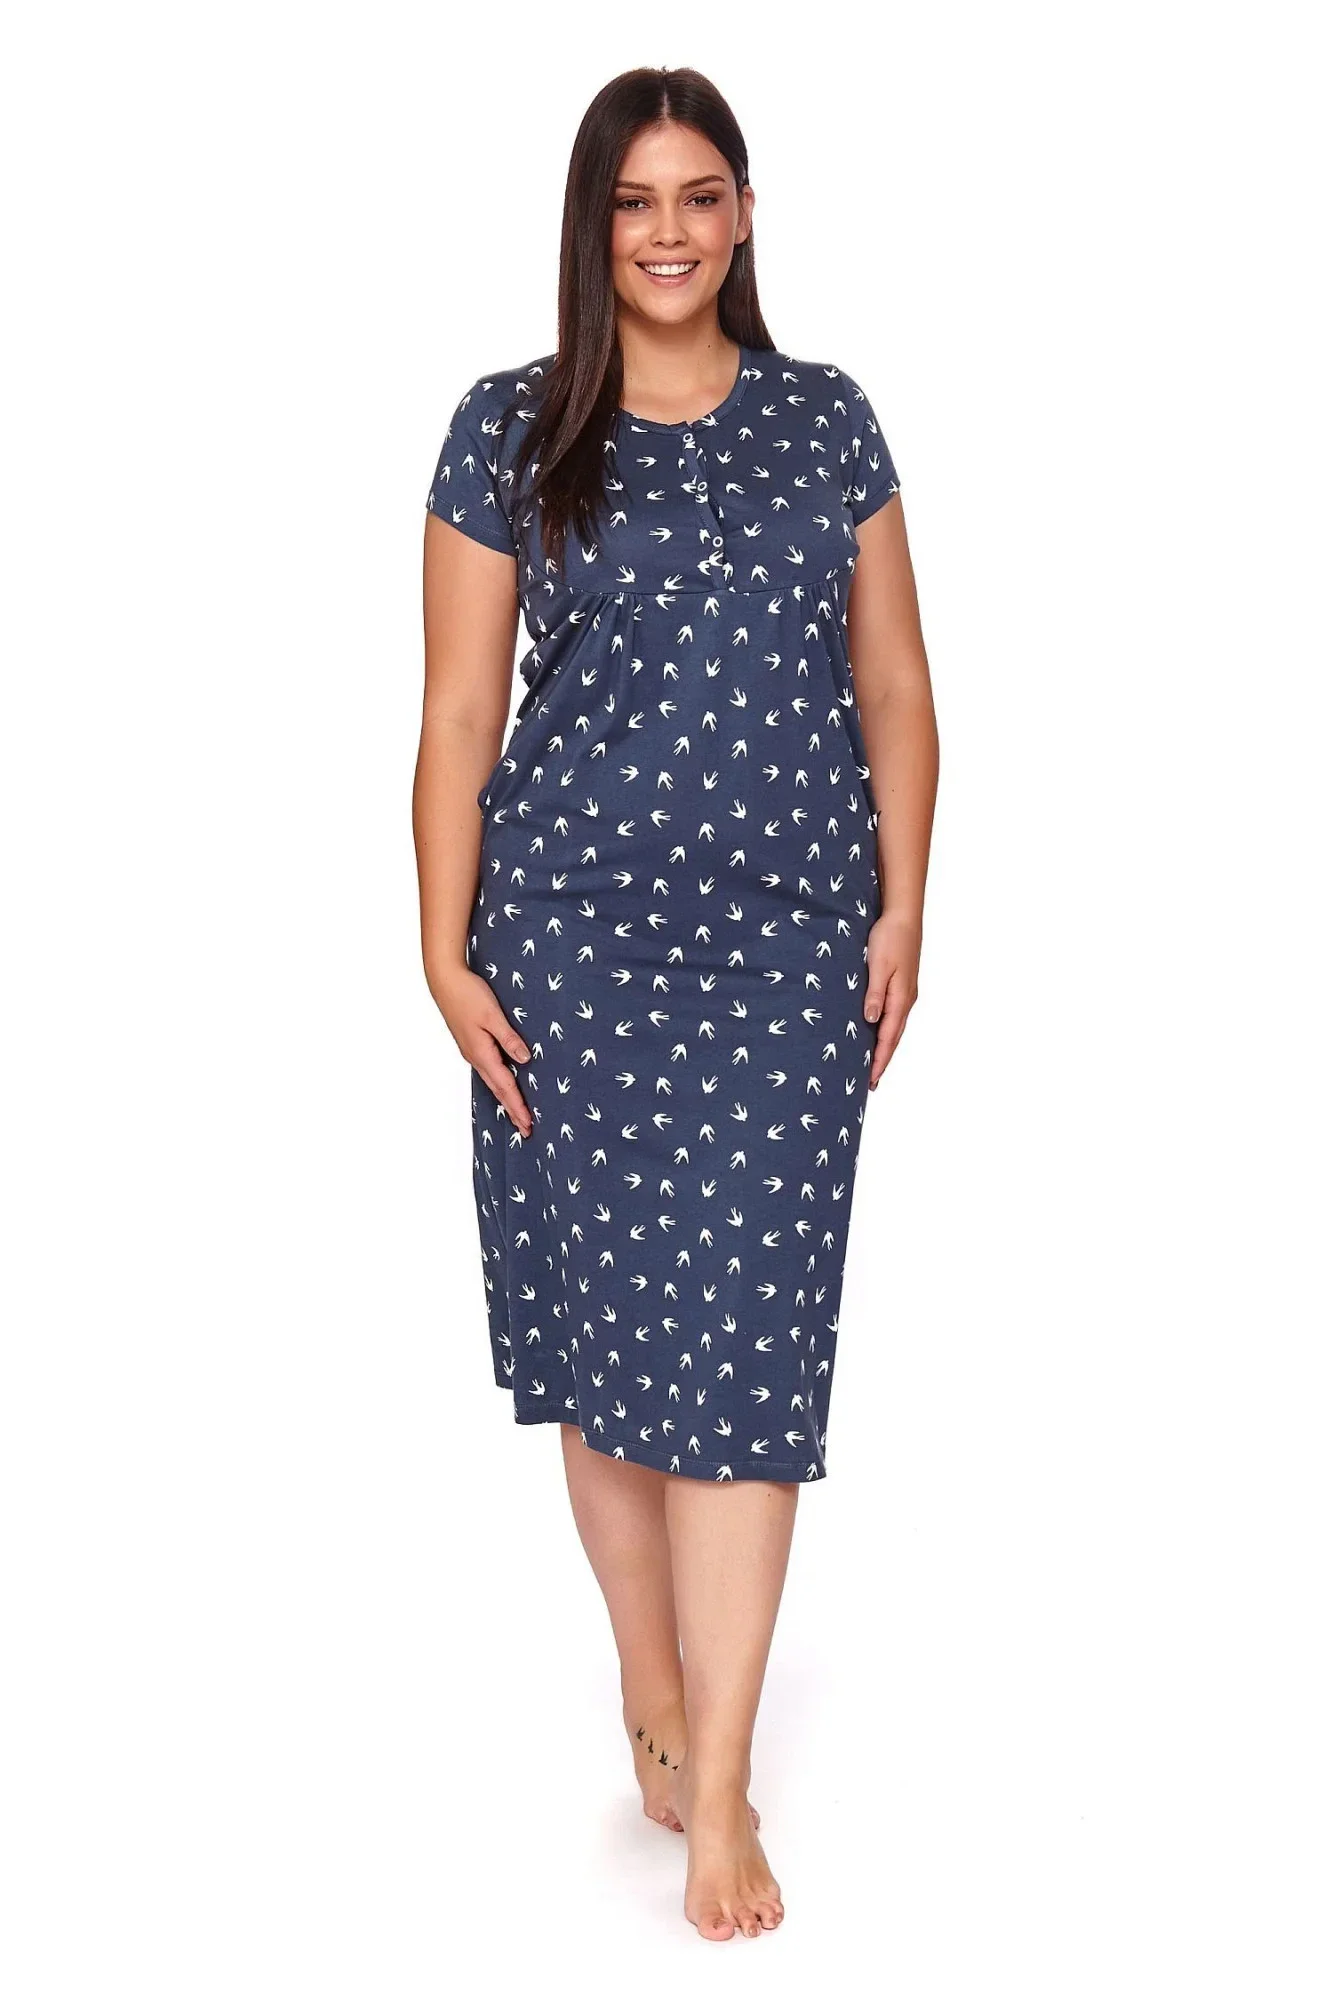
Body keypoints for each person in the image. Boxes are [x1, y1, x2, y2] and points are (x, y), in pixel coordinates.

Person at [414, 65, 938, 1943]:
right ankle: (653, 1678)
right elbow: (459, 711)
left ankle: (718, 1783)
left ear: (743, 215)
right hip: (571, 957)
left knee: (748, 1364)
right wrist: (443, 947)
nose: (668, 230)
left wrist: (904, 901)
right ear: (594, 222)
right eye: (636, 200)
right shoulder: (510, 428)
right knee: (611, 1350)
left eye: (700, 195)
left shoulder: (825, 421)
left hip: (789, 958)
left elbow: (895, 685)